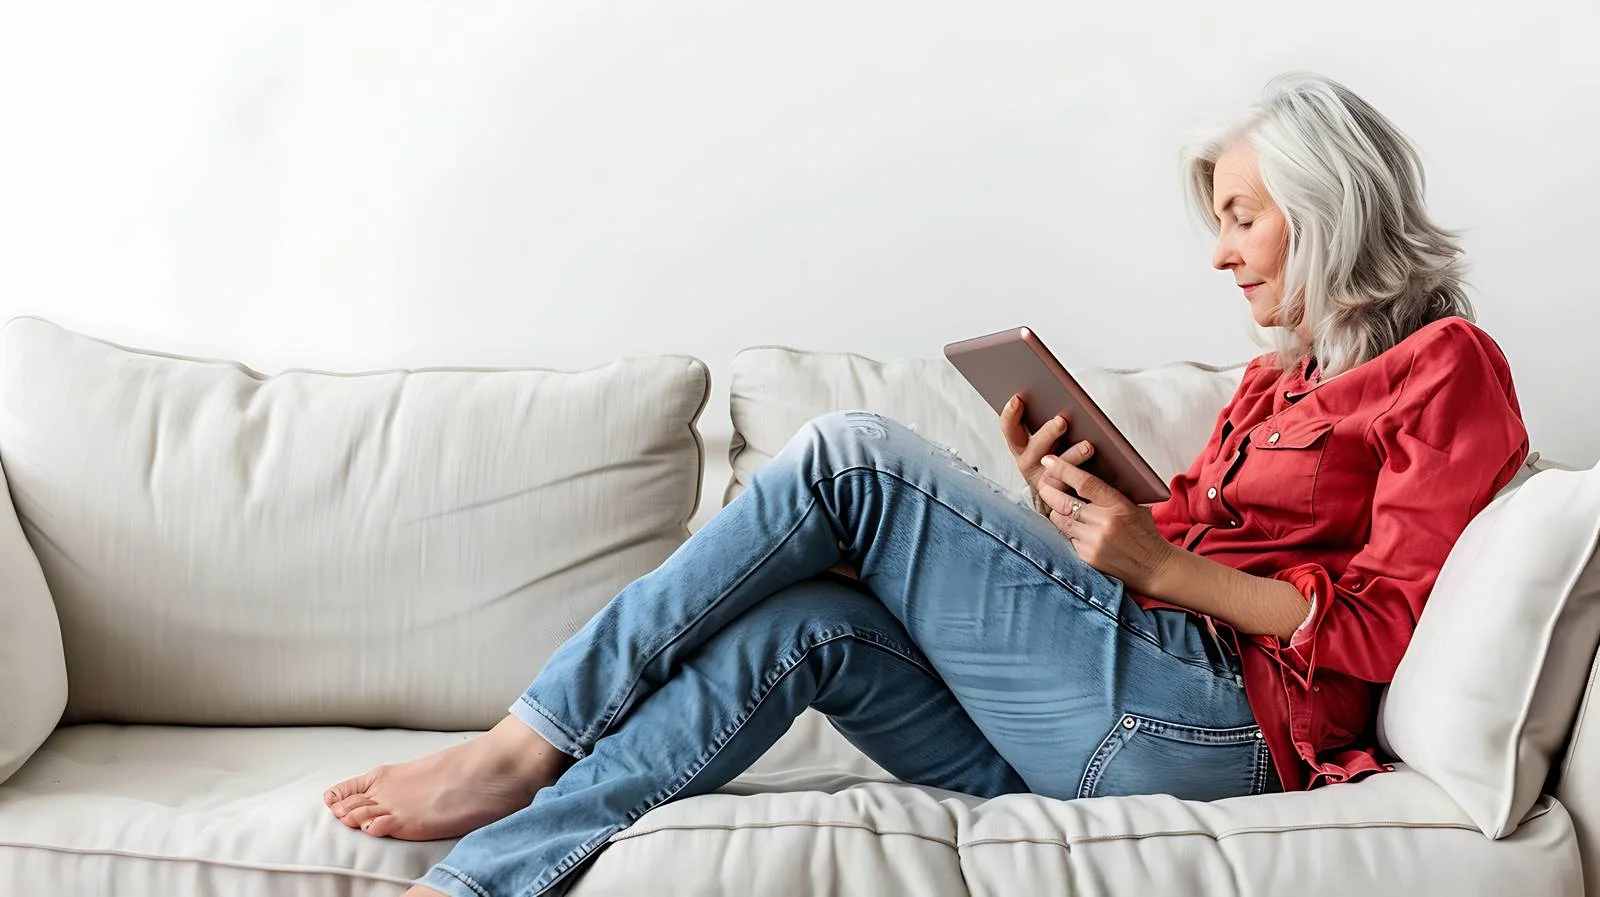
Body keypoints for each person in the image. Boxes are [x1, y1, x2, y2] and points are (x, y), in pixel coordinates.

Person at [323, 72, 1529, 897]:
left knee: (853, 454)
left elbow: (1382, 631)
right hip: (1111, 700)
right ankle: (489, 874)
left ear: (1325, 210)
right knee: (813, 627)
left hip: (1213, 726)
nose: (1219, 252)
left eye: (1240, 219)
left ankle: (526, 740)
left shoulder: (1444, 370)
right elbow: (1206, 543)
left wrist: (1157, 565)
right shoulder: (1277, 382)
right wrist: (1076, 512)